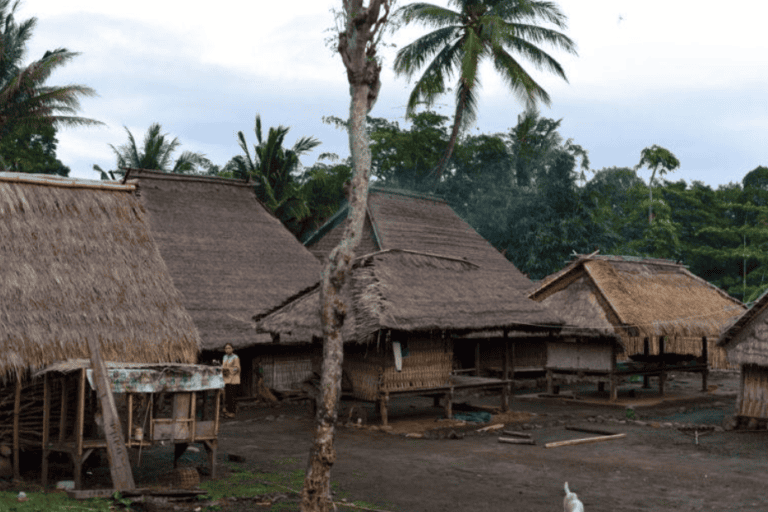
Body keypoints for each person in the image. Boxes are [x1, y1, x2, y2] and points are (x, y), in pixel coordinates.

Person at [221, 343, 240, 418]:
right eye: (226, 348)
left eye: (229, 348)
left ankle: (232, 412)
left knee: (232, 396)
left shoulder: (235, 357)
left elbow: (237, 368)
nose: (227, 349)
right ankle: (228, 411)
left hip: (233, 379)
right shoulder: (224, 357)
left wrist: (229, 370)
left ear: (232, 349)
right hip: (226, 379)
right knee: (227, 396)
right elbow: (223, 366)